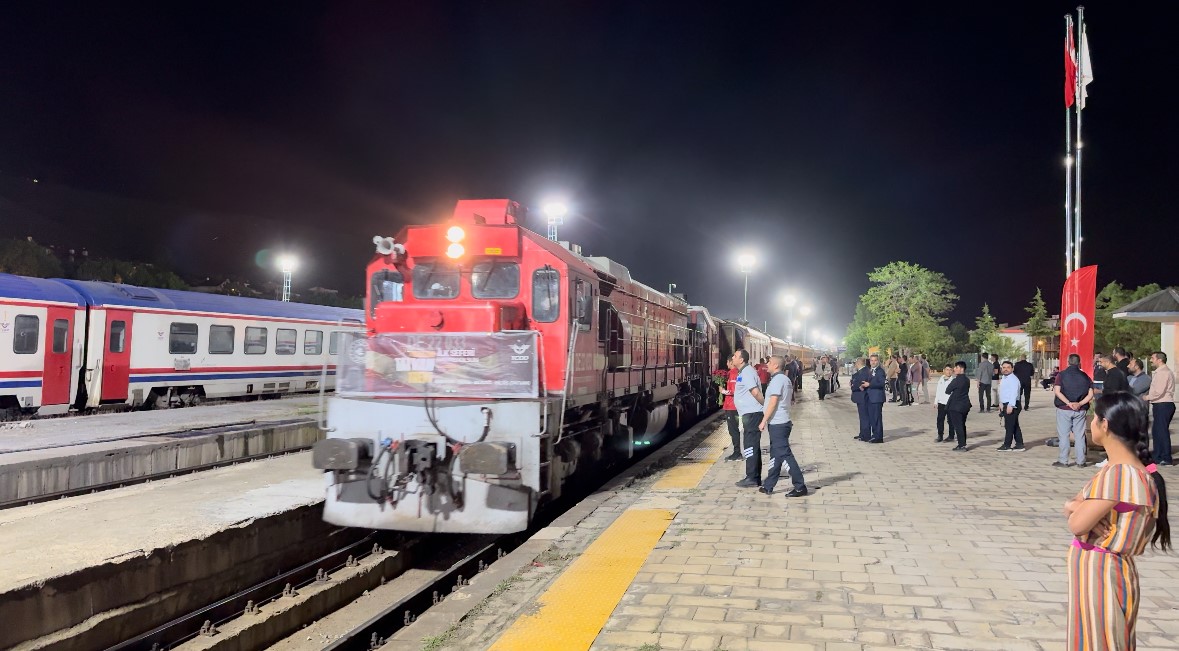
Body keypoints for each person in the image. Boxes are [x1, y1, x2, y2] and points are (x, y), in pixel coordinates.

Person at [1063, 392, 1171, 649]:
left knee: (1101, 641)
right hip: (1105, 569)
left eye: (1094, 418)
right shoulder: (1125, 471)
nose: (1091, 423)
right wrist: (1075, 506)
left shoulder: (1121, 474)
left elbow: (1077, 524)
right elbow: (1076, 505)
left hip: (1102, 573)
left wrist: (1076, 509)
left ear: (1105, 424)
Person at [758, 356, 807, 497]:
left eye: (769, 363)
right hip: (780, 422)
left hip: (778, 423)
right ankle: (769, 485)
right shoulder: (784, 379)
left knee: (785, 455)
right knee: (776, 454)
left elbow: (773, 402)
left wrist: (763, 420)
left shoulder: (778, 380)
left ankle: (800, 486)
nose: (767, 364)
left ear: (775, 365)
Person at [731, 349, 766, 487]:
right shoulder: (744, 372)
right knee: (752, 445)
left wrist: (766, 407)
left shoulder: (747, 372)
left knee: (750, 445)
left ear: (741, 360)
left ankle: (752, 477)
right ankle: (754, 476)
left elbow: (755, 392)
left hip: (752, 414)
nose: (733, 358)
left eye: (735, 356)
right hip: (750, 414)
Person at [1054, 354, 1095, 468]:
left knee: (1064, 435)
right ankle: (1081, 461)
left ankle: (1063, 460)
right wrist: (1079, 404)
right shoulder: (1085, 376)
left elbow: (1057, 391)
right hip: (1080, 410)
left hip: (1064, 408)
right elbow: (1090, 394)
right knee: (1080, 435)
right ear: (1079, 363)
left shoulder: (1061, 375)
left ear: (1068, 362)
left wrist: (1068, 403)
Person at [1143, 352, 1175, 466]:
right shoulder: (1160, 372)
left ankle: (1166, 457)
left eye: (1153, 358)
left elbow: (1159, 391)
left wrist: (1147, 397)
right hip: (1160, 404)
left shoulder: (1163, 373)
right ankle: (1158, 456)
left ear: (1159, 360)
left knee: (1162, 431)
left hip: (1163, 404)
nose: (1151, 360)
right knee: (1157, 431)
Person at [997, 361, 1026, 451]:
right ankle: (1019, 444)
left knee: (1009, 426)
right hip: (1006, 403)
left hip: (1012, 404)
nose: (1005, 369)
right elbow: (1003, 392)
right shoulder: (1004, 378)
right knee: (1014, 425)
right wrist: (1001, 403)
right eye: (1004, 367)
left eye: (1008, 367)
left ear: (1012, 369)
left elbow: (1014, 393)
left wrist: (1011, 405)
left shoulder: (1013, 379)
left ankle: (1007, 445)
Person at [945, 361, 972, 451]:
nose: (954, 369)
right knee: (962, 425)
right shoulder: (967, 379)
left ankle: (961, 445)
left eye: (956, 367)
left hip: (956, 406)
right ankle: (963, 443)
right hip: (965, 405)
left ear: (961, 369)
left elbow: (948, 390)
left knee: (958, 426)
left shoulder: (957, 380)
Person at [719, 359, 742, 461]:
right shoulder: (737, 373)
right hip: (735, 405)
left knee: (733, 430)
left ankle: (737, 453)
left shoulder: (733, 374)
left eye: (727, 362)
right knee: (734, 429)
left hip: (731, 406)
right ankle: (737, 452)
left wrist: (722, 391)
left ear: (730, 362)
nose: (726, 364)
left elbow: (734, 390)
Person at [861, 353, 887, 443]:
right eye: (871, 360)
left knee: (876, 418)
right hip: (870, 397)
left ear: (878, 361)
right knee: (872, 418)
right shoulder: (870, 370)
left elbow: (881, 383)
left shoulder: (880, 371)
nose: (873, 362)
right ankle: (874, 435)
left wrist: (870, 384)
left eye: (875, 360)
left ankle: (878, 437)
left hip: (877, 398)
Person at [850, 357, 870, 441]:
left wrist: (853, 385)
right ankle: (862, 434)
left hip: (863, 396)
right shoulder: (861, 371)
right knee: (862, 416)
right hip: (860, 396)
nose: (854, 365)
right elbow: (855, 380)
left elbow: (859, 383)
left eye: (855, 363)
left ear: (858, 363)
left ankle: (866, 435)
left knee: (864, 416)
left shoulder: (864, 371)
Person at [935, 364, 953, 442]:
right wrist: (936, 401)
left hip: (950, 403)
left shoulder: (953, 380)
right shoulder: (941, 379)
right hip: (941, 403)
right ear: (944, 370)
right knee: (940, 419)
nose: (948, 371)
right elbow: (938, 391)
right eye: (947, 370)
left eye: (950, 370)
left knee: (950, 420)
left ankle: (951, 436)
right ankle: (940, 435)